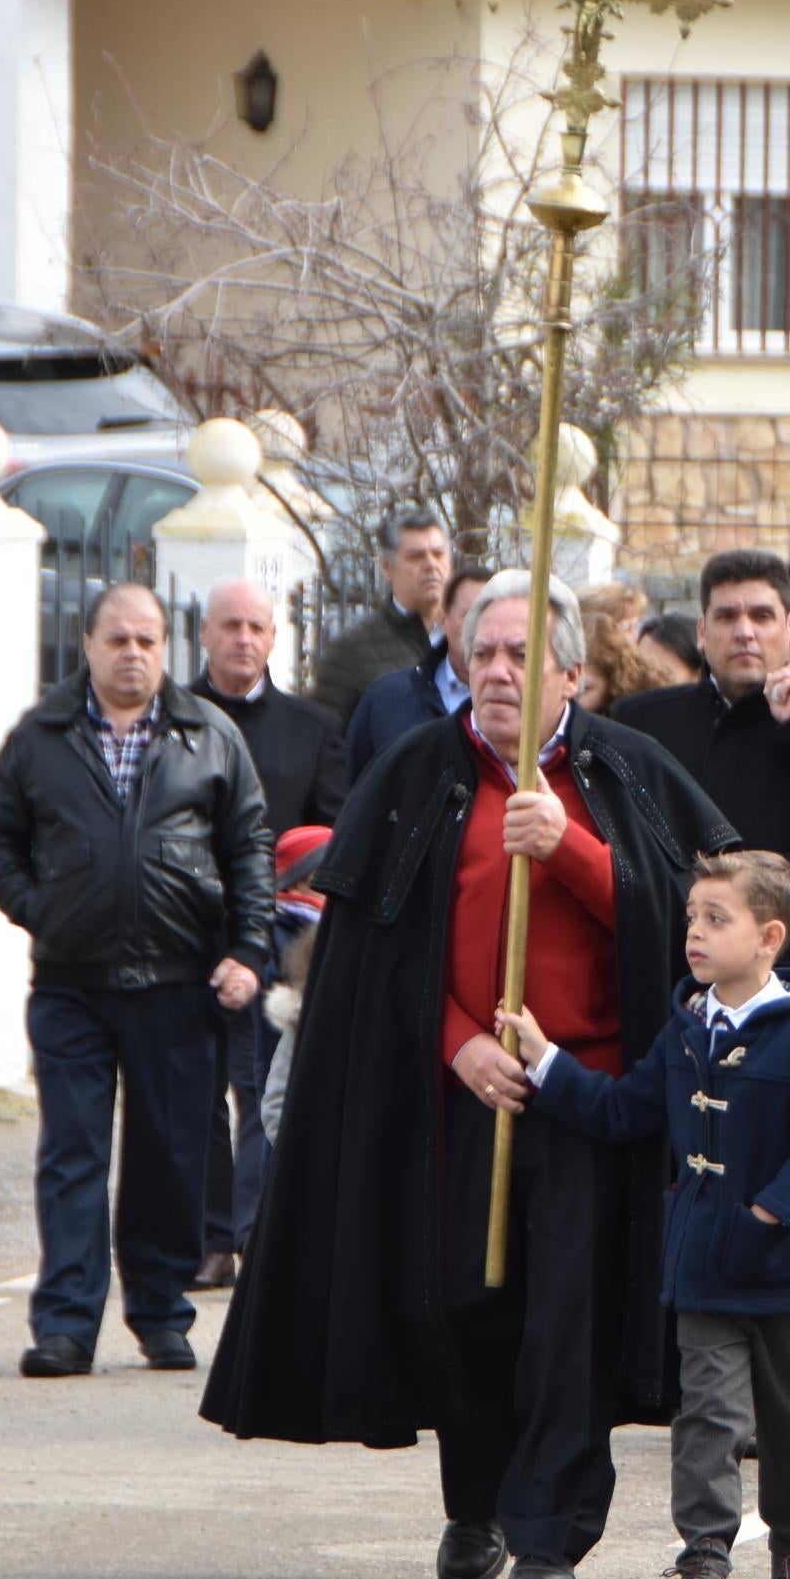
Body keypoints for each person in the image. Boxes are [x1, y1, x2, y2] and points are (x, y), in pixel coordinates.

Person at [202, 571, 738, 1579]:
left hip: (587, 1094)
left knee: (565, 1312)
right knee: (461, 1301)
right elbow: (375, 960)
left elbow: (687, 920)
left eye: (519, 656)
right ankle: (477, 1498)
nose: (496, 672)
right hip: (455, 1095)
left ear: (571, 673)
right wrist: (457, 1044)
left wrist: (571, 851)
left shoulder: (626, 772)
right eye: (481, 654)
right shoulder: (417, 771)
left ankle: (548, 1532)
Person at [498, 849, 790, 1579]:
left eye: (715, 919)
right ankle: (704, 1561)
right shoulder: (686, 1029)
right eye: (691, 918)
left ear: (769, 937)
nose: (693, 935)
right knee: (706, 1415)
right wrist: (548, 1063)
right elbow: (626, 1111)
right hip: (701, 1269)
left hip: (786, 1274)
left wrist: (771, 1213)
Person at [0, 583, 273, 1380]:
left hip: (179, 982)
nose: (132, 653)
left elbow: (249, 846)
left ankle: (161, 1312)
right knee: (72, 1152)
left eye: (146, 640)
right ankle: (66, 1324)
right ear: (89, 646)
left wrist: (246, 949)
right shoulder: (43, 734)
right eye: (117, 640)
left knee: (168, 1155)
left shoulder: (210, 735)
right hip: (72, 983)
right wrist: (42, 909)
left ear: (165, 646)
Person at [614, 552, 790, 975]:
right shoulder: (640, 721)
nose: (744, 632)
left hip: (787, 979)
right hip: (670, 975)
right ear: (702, 633)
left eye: (762, 616)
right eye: (727, 617)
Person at [186, 578, 348, 1290]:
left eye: (256, 626)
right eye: (230, 626)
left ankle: (252, 1234)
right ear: (204, 635)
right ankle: (206, 1239)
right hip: (186, 933)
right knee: (190, 1095)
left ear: (274, 637)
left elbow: (333, 840)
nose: (243, 638)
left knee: (258, 1090)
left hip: (279, 944)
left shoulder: (313, 729)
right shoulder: (172, 720)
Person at [344, 564, 490, 782]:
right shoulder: (386, 699)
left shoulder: (522, 703)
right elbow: (351, 789)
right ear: (443, 620)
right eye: (470, 616)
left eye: (490, 617)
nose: (480, 629)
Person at [310, 509, 451, 718]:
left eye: (438, 554)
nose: (431, 565)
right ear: (386, 566)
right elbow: (325, 741)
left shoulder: (469, 640)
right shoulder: (351, 651)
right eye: (416, 556)